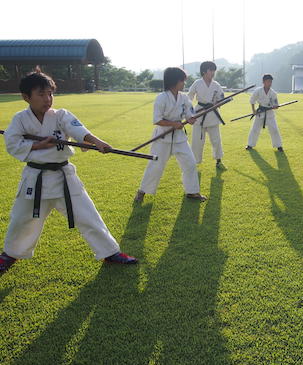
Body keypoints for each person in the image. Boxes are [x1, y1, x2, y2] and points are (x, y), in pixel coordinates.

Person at [0, 70, 137, 273]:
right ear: (26, 97)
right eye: (41, 94)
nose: (48, 99)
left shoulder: (61, 115)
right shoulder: (20, 119)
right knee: (22, 219)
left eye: (50, 94)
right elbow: (12, 143)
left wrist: (97, 142)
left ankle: (110, 252)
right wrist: (39, 146)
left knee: (88, 215)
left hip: (64, 177)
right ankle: (9, 255)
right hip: (35, 179)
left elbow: (78, 130)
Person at [134, 67, 206, 202]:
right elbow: (157, 120)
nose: (184, 83)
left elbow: (189, 113)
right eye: (182, 81)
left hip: (179, 138)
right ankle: (142, 191)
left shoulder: (184, 98)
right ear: (174, 81)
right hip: (162, 137)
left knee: (190, 163)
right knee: (155, 166)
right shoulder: (161, 98)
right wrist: (173, 124)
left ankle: (192, 192)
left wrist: (191, 119)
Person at [187, 61, 226, 169]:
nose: (213, 72)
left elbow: (221, 99)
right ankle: (195, 162)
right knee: (197, 141)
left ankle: (218, 160)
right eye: (211, 70)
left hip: (213, 114)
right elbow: (189, 98)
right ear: (204, 71)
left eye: (214, 70)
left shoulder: (216, 85)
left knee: (216, 140)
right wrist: (190, 113)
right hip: (200, 113)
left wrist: (218, 103)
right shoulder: (197, 83)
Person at [245, 74, 283, 152]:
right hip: (260, 112)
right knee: (254, 129)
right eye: (268, 81)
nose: (269, 83)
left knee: (274, 129)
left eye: (271, 82)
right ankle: (250, 145)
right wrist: (253, 110)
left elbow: (275, 104)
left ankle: (279, 146)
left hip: (269, 113)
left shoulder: (273, 93)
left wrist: (275, 106)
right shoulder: (258, 91)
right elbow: (252, 100)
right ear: (263, 82)